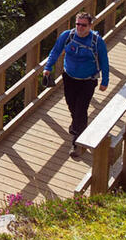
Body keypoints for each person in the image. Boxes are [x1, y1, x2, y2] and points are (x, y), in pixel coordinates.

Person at [41, 12, 109, 158]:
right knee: (71, 105)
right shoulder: (67, 36)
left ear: (90, 26)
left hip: (88, 81)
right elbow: (55, 51)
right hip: (69, 77)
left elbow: (104, 61)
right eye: (77, 24)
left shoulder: (97, 41)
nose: (80, 27)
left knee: (81, 109)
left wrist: (105, 81)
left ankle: (77, 142)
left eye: (83, 25)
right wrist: (48, 67)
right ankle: (76, 125)